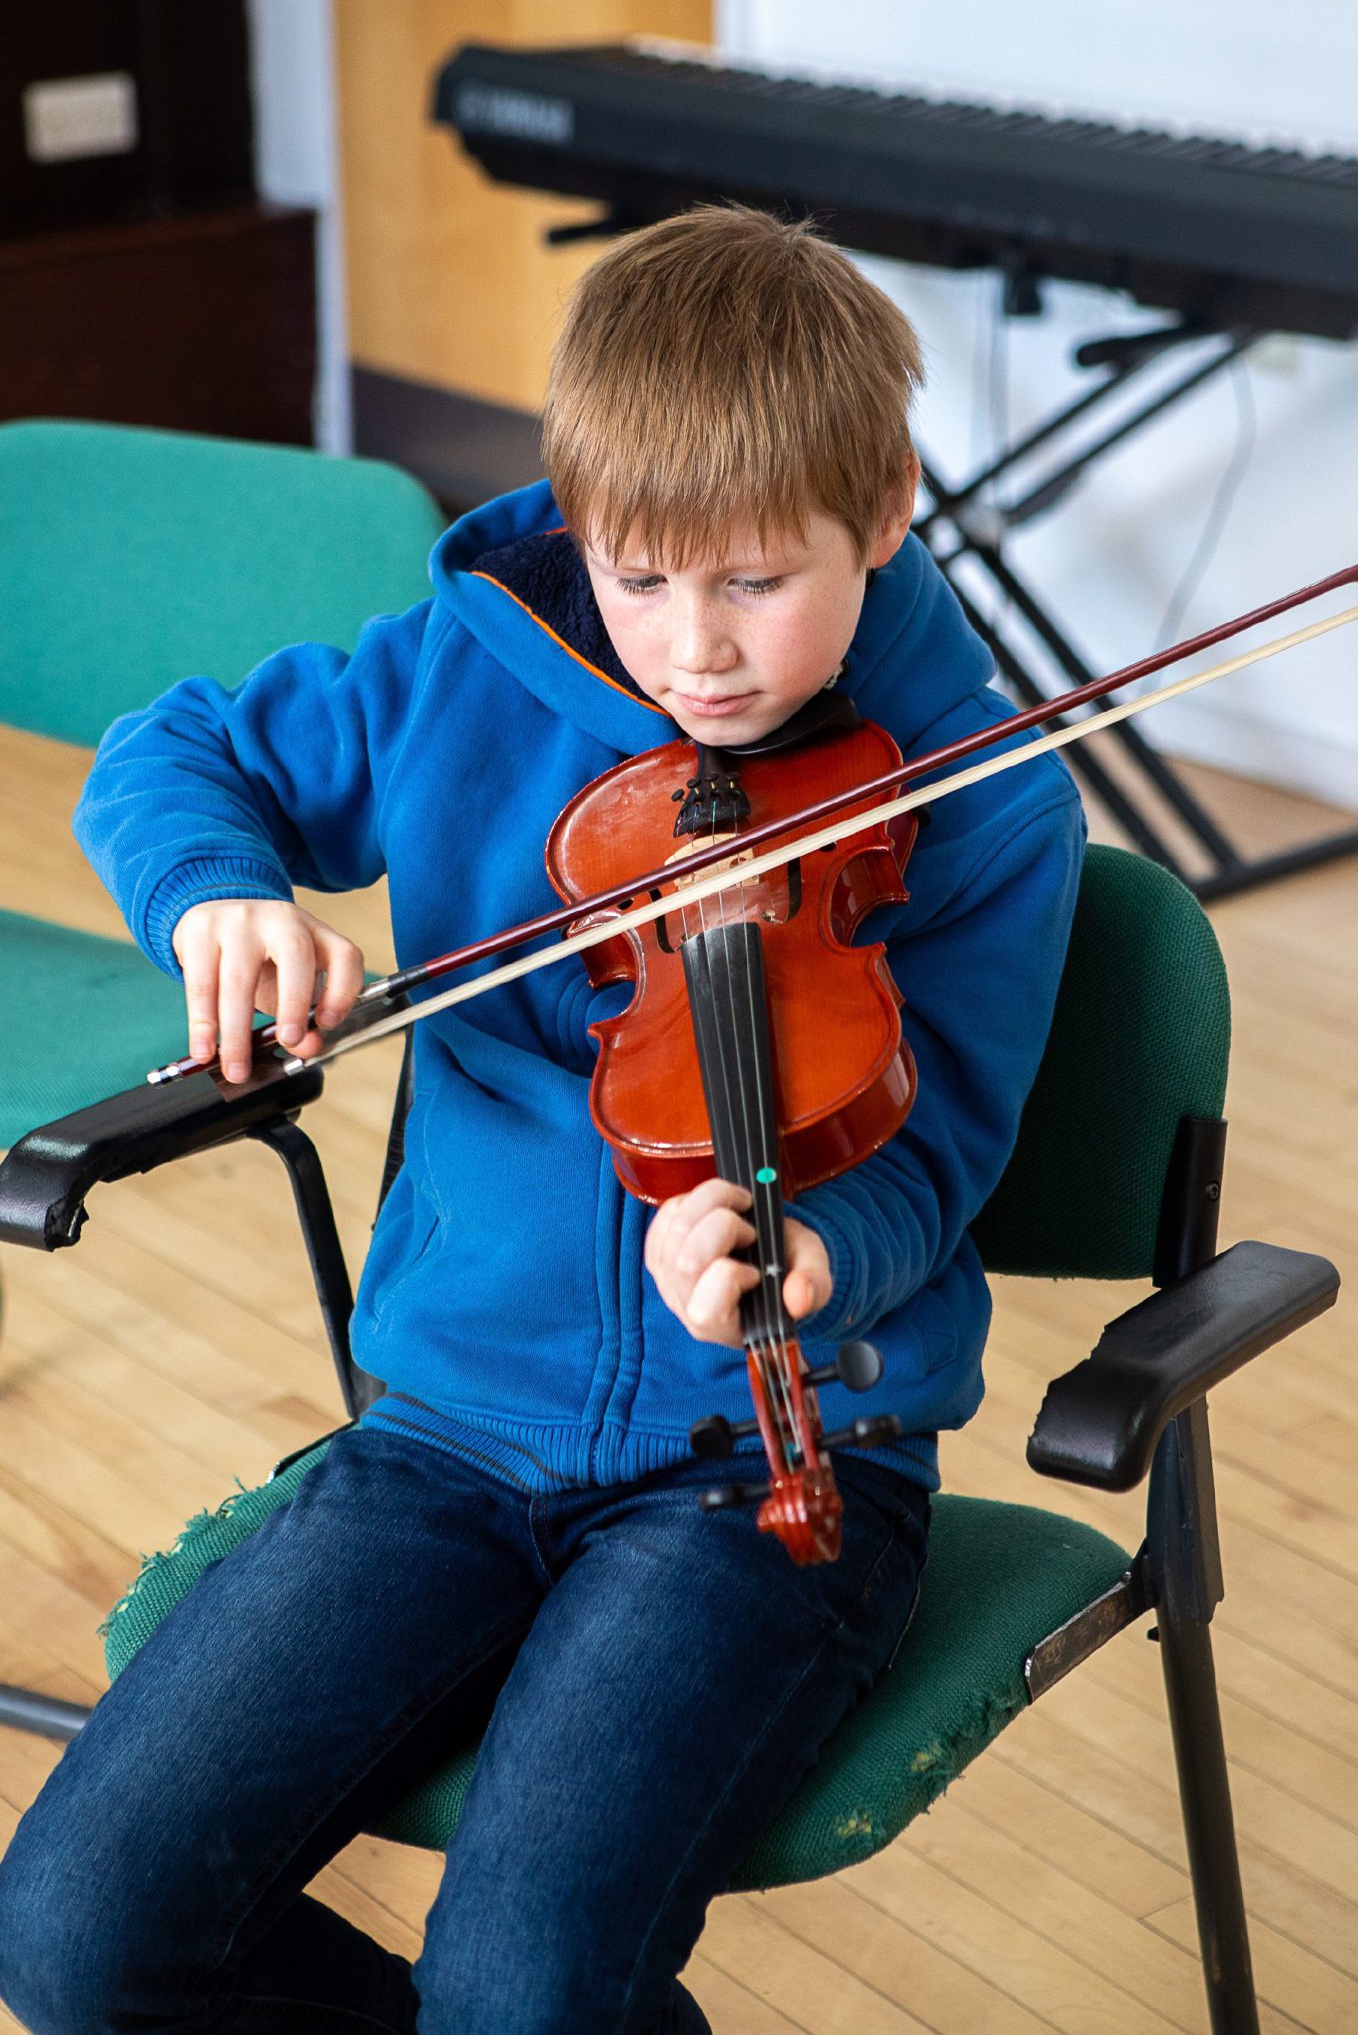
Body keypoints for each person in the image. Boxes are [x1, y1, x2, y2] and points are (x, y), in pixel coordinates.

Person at [0, 206, 1084, 2035]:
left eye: (757, 581)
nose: (698, 653)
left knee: (521, 1994)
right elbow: (176, 751)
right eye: (644, 578)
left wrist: (814, 1251)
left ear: (888, 509)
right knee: (73, 1936)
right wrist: (220, 899)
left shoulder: (974, 802)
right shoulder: (465, 674)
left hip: (768, 1470)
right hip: (443, 1428)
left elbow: (932, 1158)